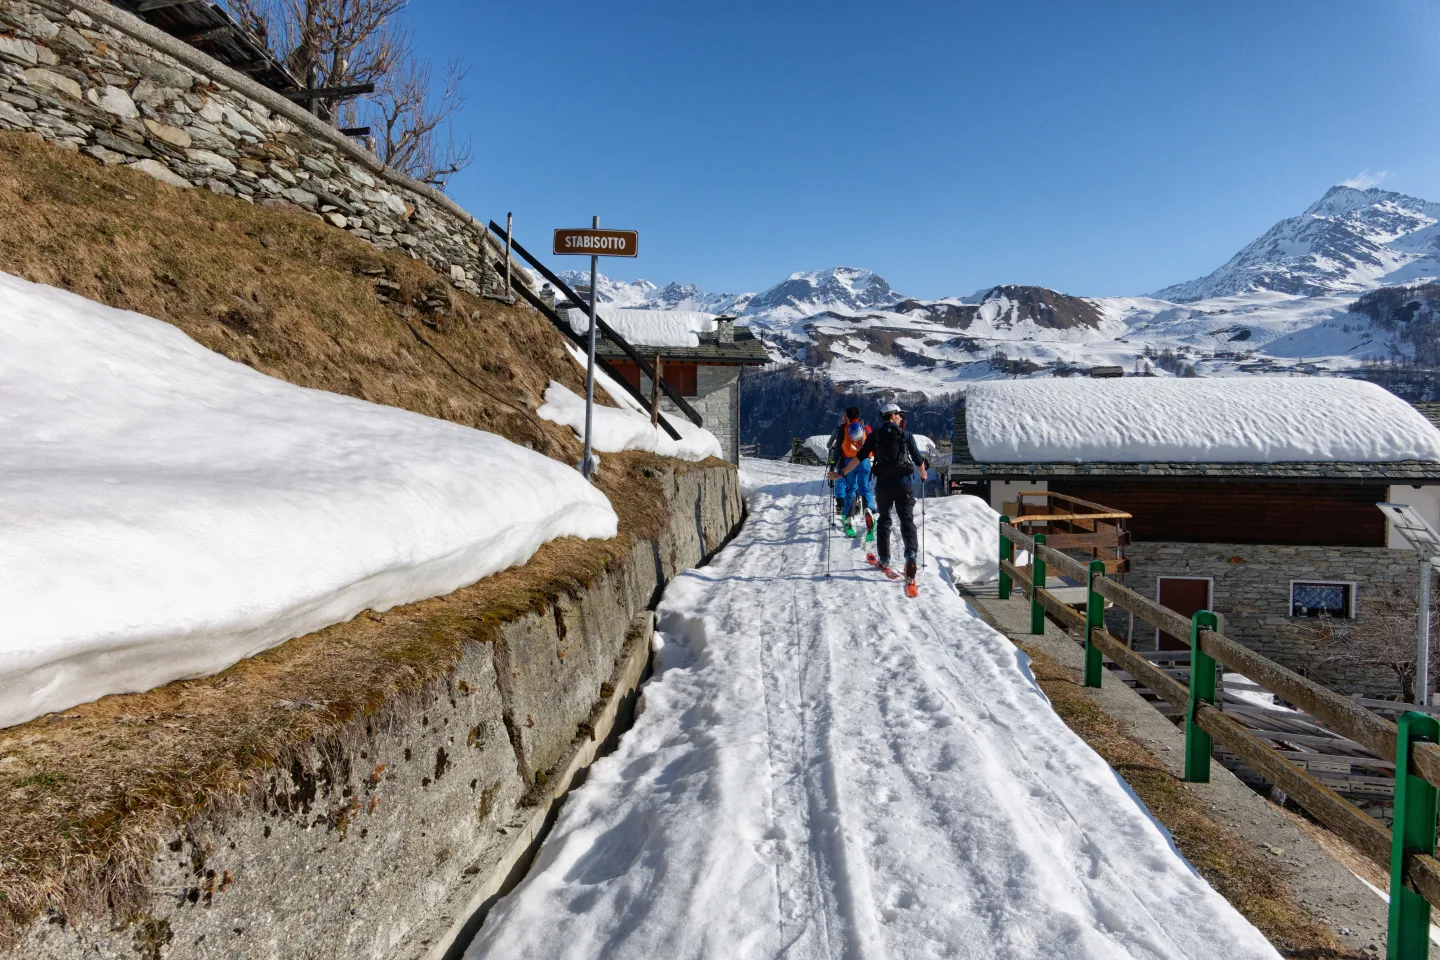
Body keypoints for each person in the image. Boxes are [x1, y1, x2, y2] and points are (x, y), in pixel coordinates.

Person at [829, 401, 928, 589]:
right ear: (892, 416)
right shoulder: (907, 436)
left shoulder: (875, 436)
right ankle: (911, 555)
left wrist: (841, 473)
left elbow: (859, 458)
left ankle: (884, 558)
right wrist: (923, 474)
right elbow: (917, 460)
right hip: (903, 483)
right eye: (899, 414)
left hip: (883, 484)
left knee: (884, 520)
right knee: (907, 520)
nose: (901, 417)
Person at [834, 419, 876, 539]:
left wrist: (836, 462)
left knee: (851, 488)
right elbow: (873, 445)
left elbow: (838, 447)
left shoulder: (844, 429)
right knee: (865, 488)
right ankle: (868, 509)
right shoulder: (865, 428)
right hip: (864, 460)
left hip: (848, 461)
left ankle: (849, 516)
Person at [825, 406, 863, 518]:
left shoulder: (838, 429)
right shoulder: (859, 428)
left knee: (841, 481)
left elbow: (829, 446)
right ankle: (855, 504)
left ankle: (840, 502)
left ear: (844, 418)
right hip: (856, 460)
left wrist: (834, 452)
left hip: (842, 459)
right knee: (854, 482)